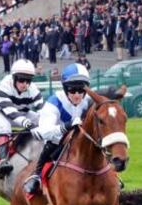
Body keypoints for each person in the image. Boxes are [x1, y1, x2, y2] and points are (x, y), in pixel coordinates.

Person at [24, 63, 93, 196]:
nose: (77, 95)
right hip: (58, 142)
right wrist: (67, 126)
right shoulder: (54, 103)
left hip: (82, 140)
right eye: (73, 90)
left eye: (81, 90)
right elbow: (44, 132)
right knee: (52, 143)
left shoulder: (89, 100)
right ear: (65, 88)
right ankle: (37, 175)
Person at [0, 59, 43, 177]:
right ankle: (2, 161)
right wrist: (28, 124)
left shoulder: (33, 89)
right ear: (14, 77)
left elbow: (43, 110)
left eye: (28, 80)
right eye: (21, 80)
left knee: (40, 119)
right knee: (5, 126)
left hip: (21, 113)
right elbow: (11, 113)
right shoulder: (3, 87)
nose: (25, 84)